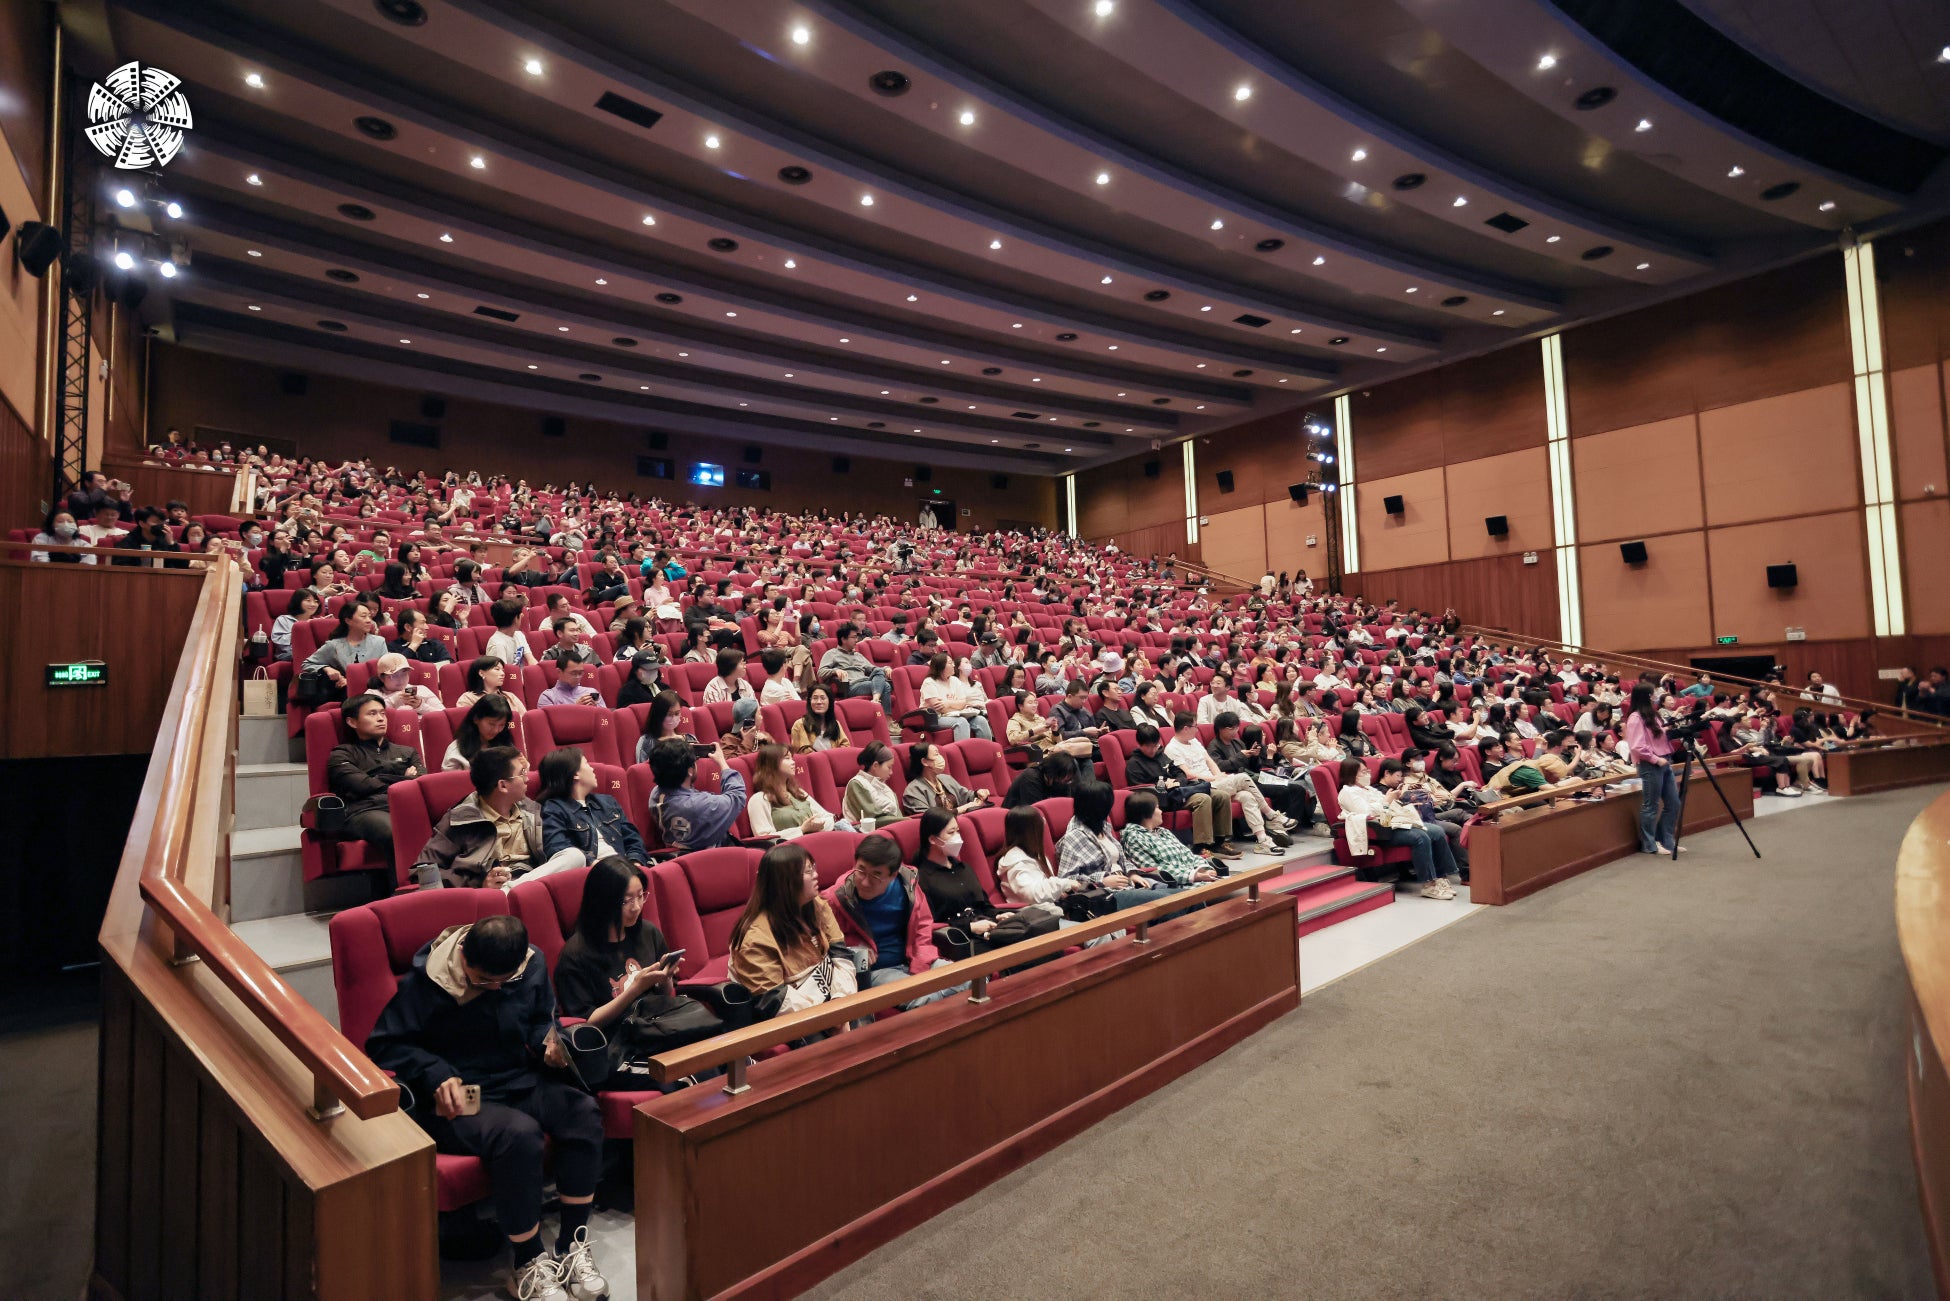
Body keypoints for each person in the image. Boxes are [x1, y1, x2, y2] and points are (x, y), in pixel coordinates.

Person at [364, 914, 607, 1301]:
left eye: (503, 981)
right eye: (482, 981)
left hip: (518, 1080)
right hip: (464, 1096)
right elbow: (383, 1044)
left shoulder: (532, 965)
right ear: (463, 955)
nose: (494, 988)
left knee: (583, 1113)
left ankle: (571, 1246)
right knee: (519, 1135)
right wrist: (435, 1072)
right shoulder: (428, 982)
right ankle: (527, 1261)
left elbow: (539, 1021)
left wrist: (551, 1043)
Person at [553, 856, 722, 1090]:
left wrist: (665, 978)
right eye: (626, 900)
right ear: (602, 903)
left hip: (658, 1029)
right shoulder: (576, 955)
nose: (637, 906)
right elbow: (588, 1023)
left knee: (727, 1058)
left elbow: (665, 995)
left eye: (641, 895)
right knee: (690, 1077)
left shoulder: (647, 932)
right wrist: (634, 989)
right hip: (618, 1046)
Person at [416, 747, 583, 890]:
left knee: (574, 856)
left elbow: (557, 850)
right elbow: (422, 872)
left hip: (533, 885)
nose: (528, 778)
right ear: (503, 785)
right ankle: (508, 892)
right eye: (522, 773)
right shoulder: (460, 819)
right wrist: (479, 882)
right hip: (491, 896)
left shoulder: (532, 810)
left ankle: (512, 890)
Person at [827, 833, 961, 1007]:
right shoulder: (838, 898)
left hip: (915, 958)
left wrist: (920, 965)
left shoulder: (908, 886)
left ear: (893, 875)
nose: (865, 882)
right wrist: (856, 948)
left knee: (970, 979)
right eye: (861, 870)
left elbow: (922, 924)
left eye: (876, 875)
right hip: (878, 970)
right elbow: (829, 941)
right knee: (925, 998)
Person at [728, 842, 852, 1015]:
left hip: (831, 1002)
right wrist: (831, 1019)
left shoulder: (818, 905)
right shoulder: (754, 940)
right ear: (786, 882)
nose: (816, 875)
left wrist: (842, 1003)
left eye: (814, 868)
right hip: (793, 1018)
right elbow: (776, 1001)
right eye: (808, 871)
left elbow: (841, 957)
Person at [324, 693, 421, 876]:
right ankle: (406, 890)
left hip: (405, 806)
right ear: (352, 722)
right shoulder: (342, 754)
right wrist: (405, 780)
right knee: (395, 830)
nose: (380, 719)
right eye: (372, 714)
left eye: (383, 714)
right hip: (364, 810)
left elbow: (422, 784)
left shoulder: (407, 752)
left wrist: (382, 779)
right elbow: (364, 785)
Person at [1334, 757, 1458, 899]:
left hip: (1393, 822)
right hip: (1380, 831)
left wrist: (1394, 798)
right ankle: (1428, 884)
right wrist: (1387, 801)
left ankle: (1440, 878)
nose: (1367, 774)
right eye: (1363, 772)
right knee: (1420, 836)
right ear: (1351, 774)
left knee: (1437, 831)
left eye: (1367, 770)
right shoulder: (1348, 792)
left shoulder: (1369, 789)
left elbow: (1386, 804)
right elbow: (1366, 812)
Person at [1164, 714, 1289, 856]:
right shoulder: (1172, 748)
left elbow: (1210, 761)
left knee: (1247, 796)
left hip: (1214, 782)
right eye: (1195, 726)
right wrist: (1214, 778)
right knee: (1243, 777)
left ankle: (1262, 840)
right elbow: (1188, 774)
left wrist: (1218, 776)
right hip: (1199, 786)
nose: (1197, 730)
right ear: (1186, 728)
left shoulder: (1194, 742)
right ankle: (1271, 815)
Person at [1122, 723, 1236, 859]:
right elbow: (1140, 789)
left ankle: (1219, 842)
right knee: (1203, 799)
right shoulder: (1134, 764)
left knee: (1221, 796)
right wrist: (1162, 784)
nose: (1153, 750)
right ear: (1139, 744)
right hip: (1165, 798)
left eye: (1155, 745)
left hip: (1181, 790)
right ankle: (1200, 847)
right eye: (1148, 746)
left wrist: (1176, 782)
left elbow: (1180, 772)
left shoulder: (1161, 755)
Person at [1055, 781, 1173, 910]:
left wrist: (1132, 874)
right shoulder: (1074, 837)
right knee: (1170, 902)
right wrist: (1102, 881)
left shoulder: (1103, 827)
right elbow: (1066, 881)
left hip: (1127, 885)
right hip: (1107, 896)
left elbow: (1120, 859)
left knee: (1179, 896)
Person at [539, 748, 650, 867]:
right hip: (593, 874)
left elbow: (633, 839)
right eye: (587, 763)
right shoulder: (553, 809)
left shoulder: (608, 802)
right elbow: (559, 848)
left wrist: (635, 862)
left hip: (627, 867)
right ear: (575, 774)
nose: (592, 769)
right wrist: (597, 866)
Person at [646, 736, 746, 853]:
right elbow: (737, 796)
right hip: (715, 857)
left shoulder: (656, 794)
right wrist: (722, 762)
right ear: (690, 770)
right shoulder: (701, 805)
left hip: (680, 852)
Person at [1624, 683, 1681, 857]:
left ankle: (1666, 840)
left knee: (1673, 803)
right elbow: (1637, 746)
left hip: (1664, 761)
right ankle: (1650, 844)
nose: (1656, 696)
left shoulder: (1652, 714)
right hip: (1651, 764)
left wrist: (1668, 729)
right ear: (1647, 696)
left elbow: (1654, 735)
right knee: (1651, 806)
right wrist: (1655, 759)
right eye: (1653, 694)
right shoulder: (1635, 717)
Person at [1119, 790, 1220, 887]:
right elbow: (1153, 869)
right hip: (1174, 885)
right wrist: (1195, 876)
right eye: (1158, 808)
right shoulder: (1134, 837)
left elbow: (1188, 855)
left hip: (1193, 878)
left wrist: (1202, 870)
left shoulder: (1163, 832)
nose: (1161, 811)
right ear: (1147, 813)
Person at [297, 603, 389, 708]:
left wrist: (352, 682)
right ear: (348, 621)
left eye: (369, 616)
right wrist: (326, 668)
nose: (369, 620)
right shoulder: (334, 645)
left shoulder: (379, 642)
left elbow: (386, 671)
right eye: (363, 616)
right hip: (347, 695)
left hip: (374, 690)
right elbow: (307, 663)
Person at [995, 804, 1087, 904]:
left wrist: (1060, 893)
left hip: (1050, 909)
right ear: (1029, 832)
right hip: (1034, 915)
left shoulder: (1033, 854)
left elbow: (1043, 888)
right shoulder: (1016, 863)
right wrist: (1064, 884)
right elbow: (1032, 895)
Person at [747, 743, 843, 838]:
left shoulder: (798, 792)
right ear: (771, 764)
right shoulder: (759, 799)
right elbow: (765, 838)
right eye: (787, 758)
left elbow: (829, 817)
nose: (793, 762)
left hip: (817, 841)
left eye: (792, 758)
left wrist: (818, 825)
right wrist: (801, 830)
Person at [918, 652, 991, 741]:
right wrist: (956, 706)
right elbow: (940, 708)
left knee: (980, 720)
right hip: (936, 717)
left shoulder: (955, 680)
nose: (953, 665)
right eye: (950, 663)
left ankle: (987, 751)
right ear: (941, 666)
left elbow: (963, 703)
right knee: (961, 722)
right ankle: (962, 753)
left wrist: (948, 703)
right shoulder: (929, 682)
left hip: (957, 714)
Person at [901, 741, 988, 816]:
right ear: (924, 762)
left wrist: (978, 793)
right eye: (936, 755)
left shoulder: (946, 779)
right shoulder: (913, 791)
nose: (940, 758)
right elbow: (928, 818)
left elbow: (966, 796)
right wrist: (960, 810)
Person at [819, 622, 893, 708]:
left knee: (879, 671)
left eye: (856, 637)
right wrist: (835, 671)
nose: (856, 640)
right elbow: (821, 672)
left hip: (866, 681)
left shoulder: (858, 655)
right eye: (853, 637)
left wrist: (886, 668)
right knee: (885, 685)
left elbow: (874, 669)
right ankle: (887, 718)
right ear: (843, 639)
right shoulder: (831, 654)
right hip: (851, 686)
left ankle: (876, 699)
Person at [443, 694, 518, 771]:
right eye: (491, 724)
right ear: (476, 719)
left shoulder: (505, 743)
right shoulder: (456, 751)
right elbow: (450, 781)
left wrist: (523, 768)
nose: (496, 730)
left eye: (501, 725)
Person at [842, 741, 903, 828]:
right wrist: (904, 821)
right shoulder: (857, 784)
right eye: (889, 767)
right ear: (875, 765)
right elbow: (871, 818)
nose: (891, 772)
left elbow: (897, 815)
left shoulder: (886, 788)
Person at [1003, 749, 1080, 809]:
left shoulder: (1062, 780)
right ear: (1052, 772)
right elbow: (1034, 813)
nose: (1066, 782)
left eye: (1068, 780)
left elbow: (1066, 806)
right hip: (1016, 818)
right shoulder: (1030, 778)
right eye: (1063, 778)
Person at [455, 655, 527, 715]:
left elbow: (526, 721)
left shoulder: (510, 697)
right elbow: (469, 726)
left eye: (503, 670)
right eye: (497, 669)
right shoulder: (468, 698)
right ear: (481, 673)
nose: (502, 674)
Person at [375, 652, 443, 715]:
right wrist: (395, 699)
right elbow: (373, 716)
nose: (400, 679)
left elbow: (444, 715)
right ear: (382, 678)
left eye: (404, 674)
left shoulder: (421, 689)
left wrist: (420, 706)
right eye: (394, 675)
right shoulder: (373, 694)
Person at [789, 685, 851, 753]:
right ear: (810, 702)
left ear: (829, 702)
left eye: (823, 698)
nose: (819, 702)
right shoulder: (800, 724)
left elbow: (845, 746)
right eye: (815, 698)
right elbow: (802, 751)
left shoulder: (835, 724)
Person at [271, 588, 320, 662]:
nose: (313, 604)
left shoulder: (317, 621)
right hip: (289, 654)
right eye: (308, 600)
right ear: (297, 602)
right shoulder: (283, 619)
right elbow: (279, 641)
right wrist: (303, 628)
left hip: (315, 653)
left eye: (316, 601)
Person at [484, 599, 536, 668]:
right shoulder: (497, 645)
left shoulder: (519, 635)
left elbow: (531, 660)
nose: (522, 615)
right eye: (520, 614)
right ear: (515, 619)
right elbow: (503, 674)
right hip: (511, 677)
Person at [536, 657, 603, 708]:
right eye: (573, 673)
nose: (578, 677)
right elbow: (550, 724)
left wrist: (596, 710)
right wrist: (576, 708)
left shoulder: (592, 692)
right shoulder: (548, 696)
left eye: (580, 673)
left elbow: (605, 720)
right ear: (559, 672)